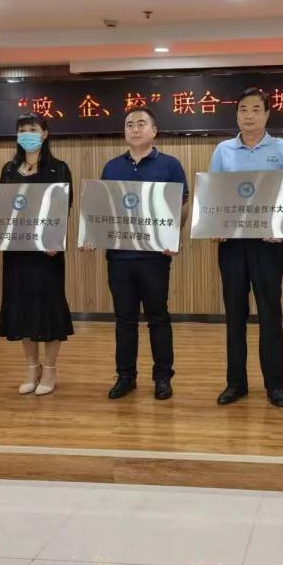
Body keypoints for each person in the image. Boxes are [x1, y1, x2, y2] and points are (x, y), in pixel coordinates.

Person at [84, 107, 189, 401]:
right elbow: (103, 209)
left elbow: (181, 205)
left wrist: (173, 236)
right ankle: (126, 376)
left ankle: (163, 377)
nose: (135, 128)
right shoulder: (112, 167)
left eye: (141, 123)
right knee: (124, 320)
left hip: (155, 258)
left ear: (154, 131)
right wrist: (91, 235)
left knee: (158, 318)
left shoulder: (170, 165)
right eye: (129, 124)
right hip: (119, 257)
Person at [209, 87, 283, 407]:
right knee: (235, 314)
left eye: (256, 109)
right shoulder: (223, 150)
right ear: (236, 115)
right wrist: (214, 226)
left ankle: (275, 385)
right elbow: (215, 194)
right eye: (243, 109)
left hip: (268, 243)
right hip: (232, 244)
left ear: (267, 114)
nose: (249, 115)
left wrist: (280, 227)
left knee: (270, 312)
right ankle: (236, 383)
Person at [0, 113, 74, 396]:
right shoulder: (8, 169)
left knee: (48, 308)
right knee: (21, 308)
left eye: (32, 129)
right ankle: (32, 368)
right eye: (22, 130)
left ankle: (50, 370)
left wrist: (54, 239)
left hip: (46, 253)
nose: (27, 134)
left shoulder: (59, 169)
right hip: (16, 252)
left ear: (44, 134)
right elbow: (0, 209)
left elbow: (63, 209)